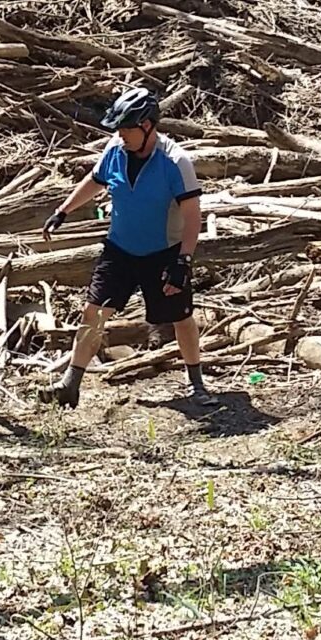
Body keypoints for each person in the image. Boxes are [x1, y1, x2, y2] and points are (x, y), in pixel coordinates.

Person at [40, 87, 207, 408]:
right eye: (118, 128)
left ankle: (196, 383)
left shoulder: (175, 162)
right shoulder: (115, 149)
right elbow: (94, 180)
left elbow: (192, 216)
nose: (121, 135)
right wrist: (63, 211)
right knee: (94, 312)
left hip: (164, 253)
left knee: (180, 317)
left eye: (126, 128)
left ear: (147, 126)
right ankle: (70, 383)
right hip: (119, 250)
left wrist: (183, 261)